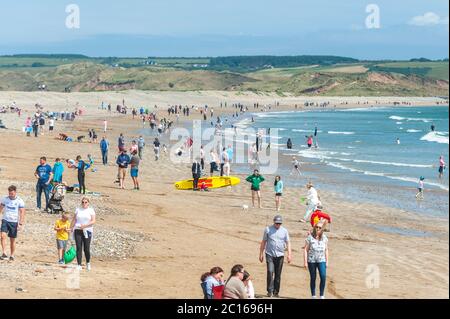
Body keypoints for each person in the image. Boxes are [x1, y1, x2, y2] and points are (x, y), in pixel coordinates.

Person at [259, 215, 292, 298]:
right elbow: (263, 242)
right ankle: (269, 291)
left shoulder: (284, 231)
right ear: (274, 222)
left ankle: (276, 292)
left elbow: (288, 243)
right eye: (276, 223)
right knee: (270, 271)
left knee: (278, 274)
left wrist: (289, 254)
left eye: (279, 223)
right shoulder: (268, 229)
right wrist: (260, 253)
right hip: (269, 254)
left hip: (280, 255)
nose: (278, 225)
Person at [304, 220, 329, 299]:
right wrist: (305, 262)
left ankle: (321, 295)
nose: (318, 228)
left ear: (322, 229)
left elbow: (326, 250)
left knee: (323, 276)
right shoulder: (310, 237)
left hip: (322, 260)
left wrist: (327, 261)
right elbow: (305, 250)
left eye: (320, 227)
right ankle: (313, 295)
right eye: (317, 227)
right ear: (314, 227)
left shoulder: (324, 238)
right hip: (312, 260)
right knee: (313, 277)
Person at [1, 185, 26, 261]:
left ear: (15, 192)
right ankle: (4, 253)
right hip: (5, 220)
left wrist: (21, 223)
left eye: (12, 193)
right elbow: (0, 208)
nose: (10, 195)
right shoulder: (5, 199)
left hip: (14, 222)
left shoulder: (19, 201)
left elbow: (22, 212)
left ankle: (12, 255)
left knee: (12, 240)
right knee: (2, 236)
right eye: (9, 193)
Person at [70, 197, 96, 271]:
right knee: (78, 247)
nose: (84, 204)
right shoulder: (78, 210)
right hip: (78, 230)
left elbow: (93, 221)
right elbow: (74, 219)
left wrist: (85, 225)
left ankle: (88, 262)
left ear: (88, 203)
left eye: (86, 202)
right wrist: (70, 227)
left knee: (86, 248)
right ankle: (79, 264)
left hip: (87, 230)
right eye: (83, 202)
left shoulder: (91, 210)